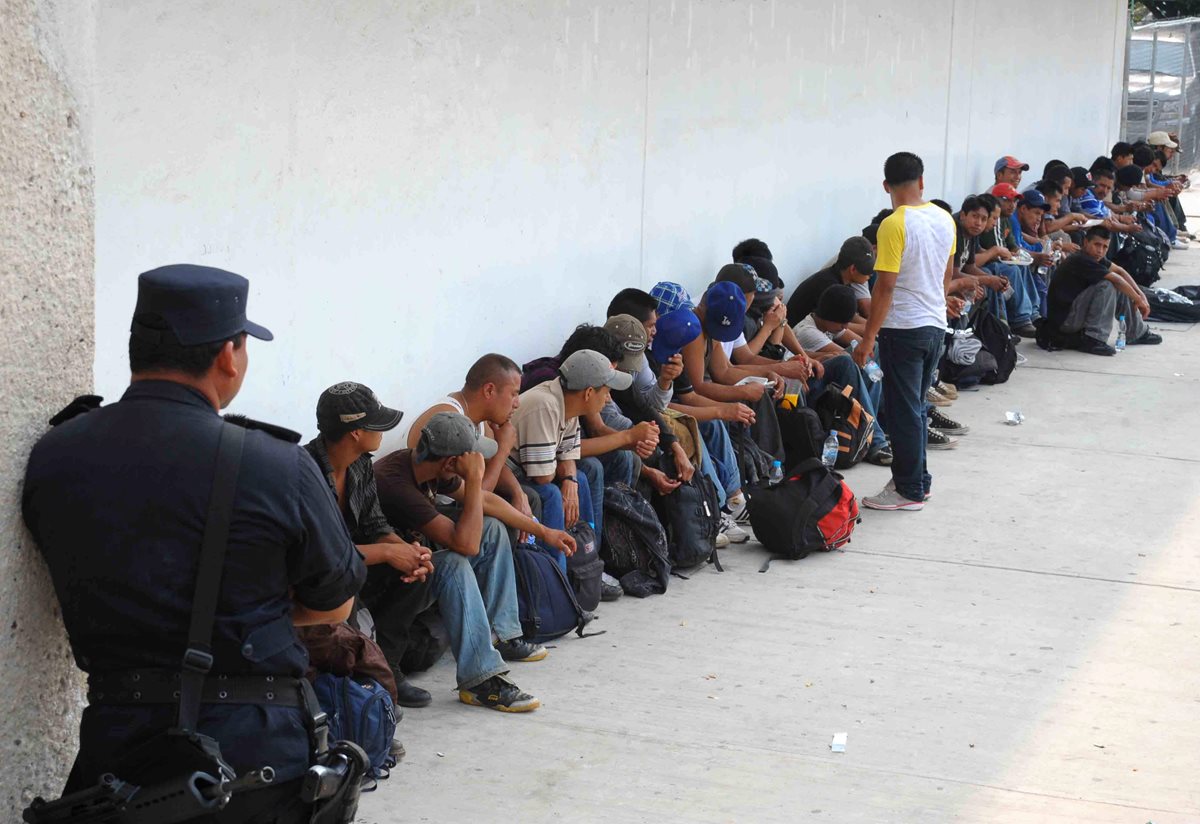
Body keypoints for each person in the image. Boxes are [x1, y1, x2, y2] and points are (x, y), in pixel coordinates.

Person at [23, 264, 367, 822]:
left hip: (118, 756)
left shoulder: (54, 454)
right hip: (252, 762)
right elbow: (334, 602)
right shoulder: (278, 464)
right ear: (229, 357)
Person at [375, 412, 573, 712]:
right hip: (385, 584)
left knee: (491, 528)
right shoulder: (396, 483)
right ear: (449, 462)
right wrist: (475, 477)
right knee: (455, 562)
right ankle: (480, 679)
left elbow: (484, 500)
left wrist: (544, 532)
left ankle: (501, 633)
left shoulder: (427, 466)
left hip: (414, 564)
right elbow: (465, 544)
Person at [303, 382, 436, 709]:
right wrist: (390, 552)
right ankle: (357, 691)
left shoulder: (361, 464)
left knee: (418, 573)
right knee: (343, 585)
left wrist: (406, 551)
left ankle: (387, 668)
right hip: (316, 578)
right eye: (375, 424)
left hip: (352, 564)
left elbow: (375, 524)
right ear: (355, 433)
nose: (383, 431)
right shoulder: (304, 472)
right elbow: (322, 553)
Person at [855, 152, 959, 512]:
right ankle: (917, 480)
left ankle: (909, 489)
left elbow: (884, 287)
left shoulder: (893, 224)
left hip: (904, 329)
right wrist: (938, 305)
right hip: (934, 325)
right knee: (914, 408)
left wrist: (868, 338)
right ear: (922, 181)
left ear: (886, 186)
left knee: (903, 411)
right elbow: (947, 274)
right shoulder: (945, 218)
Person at [508, 349, 632, 572]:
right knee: (552, 494)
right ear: (588, 393)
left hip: (530, 471)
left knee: (581, 478)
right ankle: (560, 577)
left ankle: (588, 565)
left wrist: (570, 481)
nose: (608, 398)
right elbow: (543, 476)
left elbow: (568, 452)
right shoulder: (545, 404)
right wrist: (565, 480)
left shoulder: (568, 402)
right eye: (606, 391)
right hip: (509, 476)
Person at [404, 353, 532, 517]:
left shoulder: (482, 419)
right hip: (422, 510)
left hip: (456, 499)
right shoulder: (451, 420)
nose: (517, 403)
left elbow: (492, 465)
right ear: (489, 390)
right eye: (513, 394)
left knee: (528, 497)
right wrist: (504, 450)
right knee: (494, 523)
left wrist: (518, 493)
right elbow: (477, 498)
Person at [1042, 226, 1162, 356]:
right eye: (1097, 245)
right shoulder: (1080, 259)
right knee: (1108, 284)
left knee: (1120, 285)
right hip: (1065, 321)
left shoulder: (1096, 258)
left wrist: (1141, 294)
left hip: (1077, 313)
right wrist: (1138, 300)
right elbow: (1116, 280)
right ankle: (1094, 338)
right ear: (1086, 242)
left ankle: (1136, 332)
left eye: (1105, 247)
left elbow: (1120, 271)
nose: (1100, 251)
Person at [786, 236, 876, 330]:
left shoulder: (838, 278)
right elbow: (841, 327)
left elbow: (851, 317)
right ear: (853, 269)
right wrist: (873, 329)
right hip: (799, 334)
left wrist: (873, 325)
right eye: (868, 272)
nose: (870, 276)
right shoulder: (829, 287)